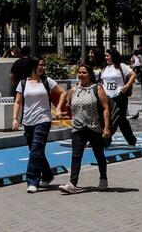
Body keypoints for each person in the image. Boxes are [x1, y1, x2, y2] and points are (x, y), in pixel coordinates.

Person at [57, 62, 112, 193]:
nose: (81, 75)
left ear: (90, 75)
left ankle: (103, 179)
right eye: (80, 72)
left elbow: (105, 108)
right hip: (78, 128)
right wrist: (59, 108)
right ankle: (72, 183)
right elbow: (64, 94)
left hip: (94, 127)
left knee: (99, 154)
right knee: (76, 155)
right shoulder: (75, 90)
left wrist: (106, 127)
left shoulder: (96, 88)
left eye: (84, 73)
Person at [12, 57, 59, 192]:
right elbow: (17, 102)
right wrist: (15, 118)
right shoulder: (23, 83)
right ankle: (48, 175)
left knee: (36, 149)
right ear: (33, 67)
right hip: (28, 121)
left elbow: (62, 93)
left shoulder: (46, 81)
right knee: (35, 150)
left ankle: (32, 180)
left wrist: (59, 107)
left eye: (44, 65)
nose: (42, 67)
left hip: (43, 120)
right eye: (40, 65)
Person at [100, 49, 137, 147]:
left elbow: (133, 74)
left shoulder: (121, 66)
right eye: (105, 56)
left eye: (108, 55)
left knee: (120, 119)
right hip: (107, 96)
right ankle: (106, 140)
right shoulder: (104, 68)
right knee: (107, 118)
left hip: (119, 95)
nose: (106, 57)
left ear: (113, 56)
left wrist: (127, 85)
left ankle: (131, 139)